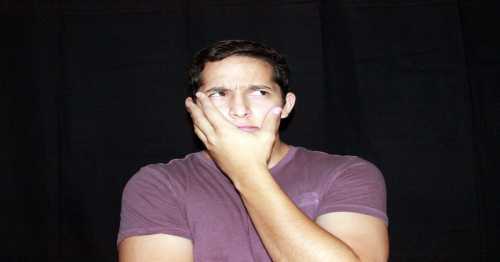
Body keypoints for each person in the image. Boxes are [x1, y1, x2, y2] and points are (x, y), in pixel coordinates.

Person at [117, 40, 389, 261]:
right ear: (194, 108)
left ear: (286, 105)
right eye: (218, 94)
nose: (239, 109)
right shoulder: (159, 184)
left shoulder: (347, 173)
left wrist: (247, 173)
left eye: (259, 92)